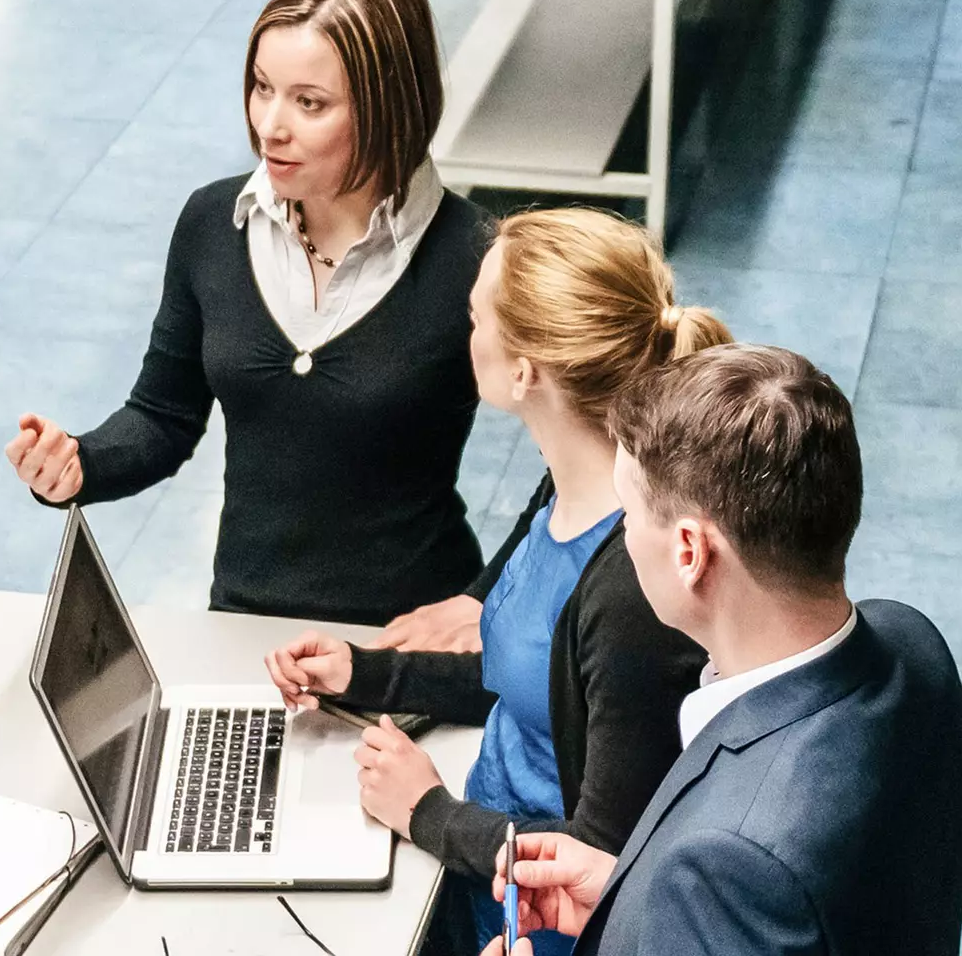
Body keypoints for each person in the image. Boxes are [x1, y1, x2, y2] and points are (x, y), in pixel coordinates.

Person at [265, 209, 718, 954]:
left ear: (523, 371)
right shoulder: (568, 486)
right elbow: (534, 682)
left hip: (529, 917)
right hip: (475, 857)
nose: (460, 334)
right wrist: (367, 674)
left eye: (474, 318)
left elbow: (600, 855)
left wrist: (426, 811)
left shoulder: (632, 591)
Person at [5, 0, 491, 628]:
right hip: (243, 627)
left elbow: (584, 480)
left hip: (403, 641)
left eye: (309, 102)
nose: (270, 125)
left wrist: (480, 604)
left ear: (387, 107)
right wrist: (78, 465)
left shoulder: (478, 261)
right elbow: (162, 417)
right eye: (262, 88)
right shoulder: (212, 223)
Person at [481, 345, 962, 956]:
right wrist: (636, 902)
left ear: (690, 551)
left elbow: (755, 871)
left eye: (627, 513)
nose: (622, 536)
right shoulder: (910, 640)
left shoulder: (724, 865)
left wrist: (687, 905)